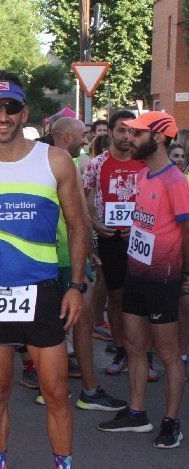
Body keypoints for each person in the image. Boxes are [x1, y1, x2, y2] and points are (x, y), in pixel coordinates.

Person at [0, 71, 91, 469]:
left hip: (44, 290)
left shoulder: (55, 160)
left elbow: (78, 225)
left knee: (56, 390)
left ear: (24, 112)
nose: (3, 116)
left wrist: (76, 285)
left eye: (11, 107)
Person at [96, 111, 187, 448]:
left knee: (168, 353)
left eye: (137, 134)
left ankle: (172, 422)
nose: (129, 139)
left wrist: (186, 274)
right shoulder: (145, 174)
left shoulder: (175, 181)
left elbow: (187, 231)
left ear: (158, 138)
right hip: (136, 272)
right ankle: (136, 413)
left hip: (163, 278)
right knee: (135, 345)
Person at [48, 117, 126, 412]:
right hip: (66, 257)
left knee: (52, 325)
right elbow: (79, 218)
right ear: (67, 137)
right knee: (79, 324)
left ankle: (50, 389)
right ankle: (89, 390)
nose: (87, 138)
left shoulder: (43, 163)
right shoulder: (66, 165)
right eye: (82, 134)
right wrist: (90, 247)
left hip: (53, 256)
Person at [83, 111, 156, 381]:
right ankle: (121, 350)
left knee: (143, 298)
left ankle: (145, 355)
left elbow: (157, 200)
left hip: (141, 238)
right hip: (110, 237)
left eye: (132, 131)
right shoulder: (97, 163)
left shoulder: (146, 163)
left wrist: (141, 226)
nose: (127, 136)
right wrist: (94, 223)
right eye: (122, 130)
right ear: (110, 132)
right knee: (115, 296)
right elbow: (82, 197)